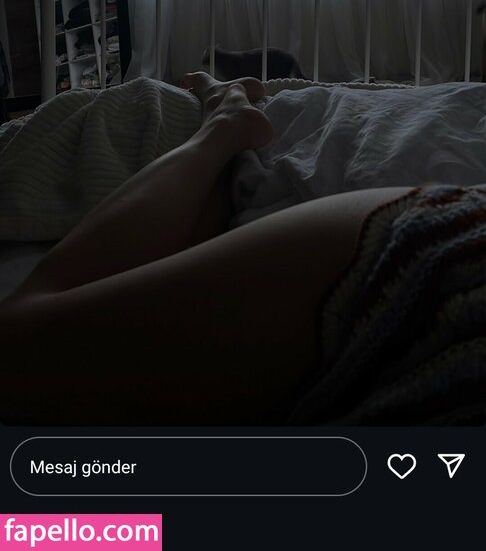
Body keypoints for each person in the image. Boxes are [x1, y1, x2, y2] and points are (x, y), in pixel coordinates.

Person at [0, 72, 414, 426]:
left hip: (425, 257)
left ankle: (223, 117)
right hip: (428, 247)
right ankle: (223, 119)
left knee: (17, 343)